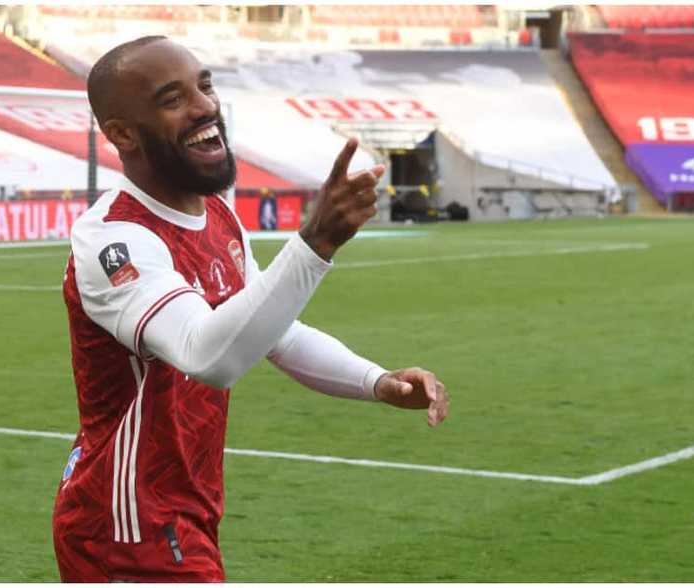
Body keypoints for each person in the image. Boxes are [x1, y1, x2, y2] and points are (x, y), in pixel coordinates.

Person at [54, 35, 450, 582]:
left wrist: (375, 382)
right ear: (123, 134)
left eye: (205, 86)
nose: (204, 106)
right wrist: (315, 243)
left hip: (183, 508)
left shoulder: (217, 215)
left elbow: (275, 332)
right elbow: (207, 355)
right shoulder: (115, 239)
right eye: (174, 99)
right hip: (127, 525)